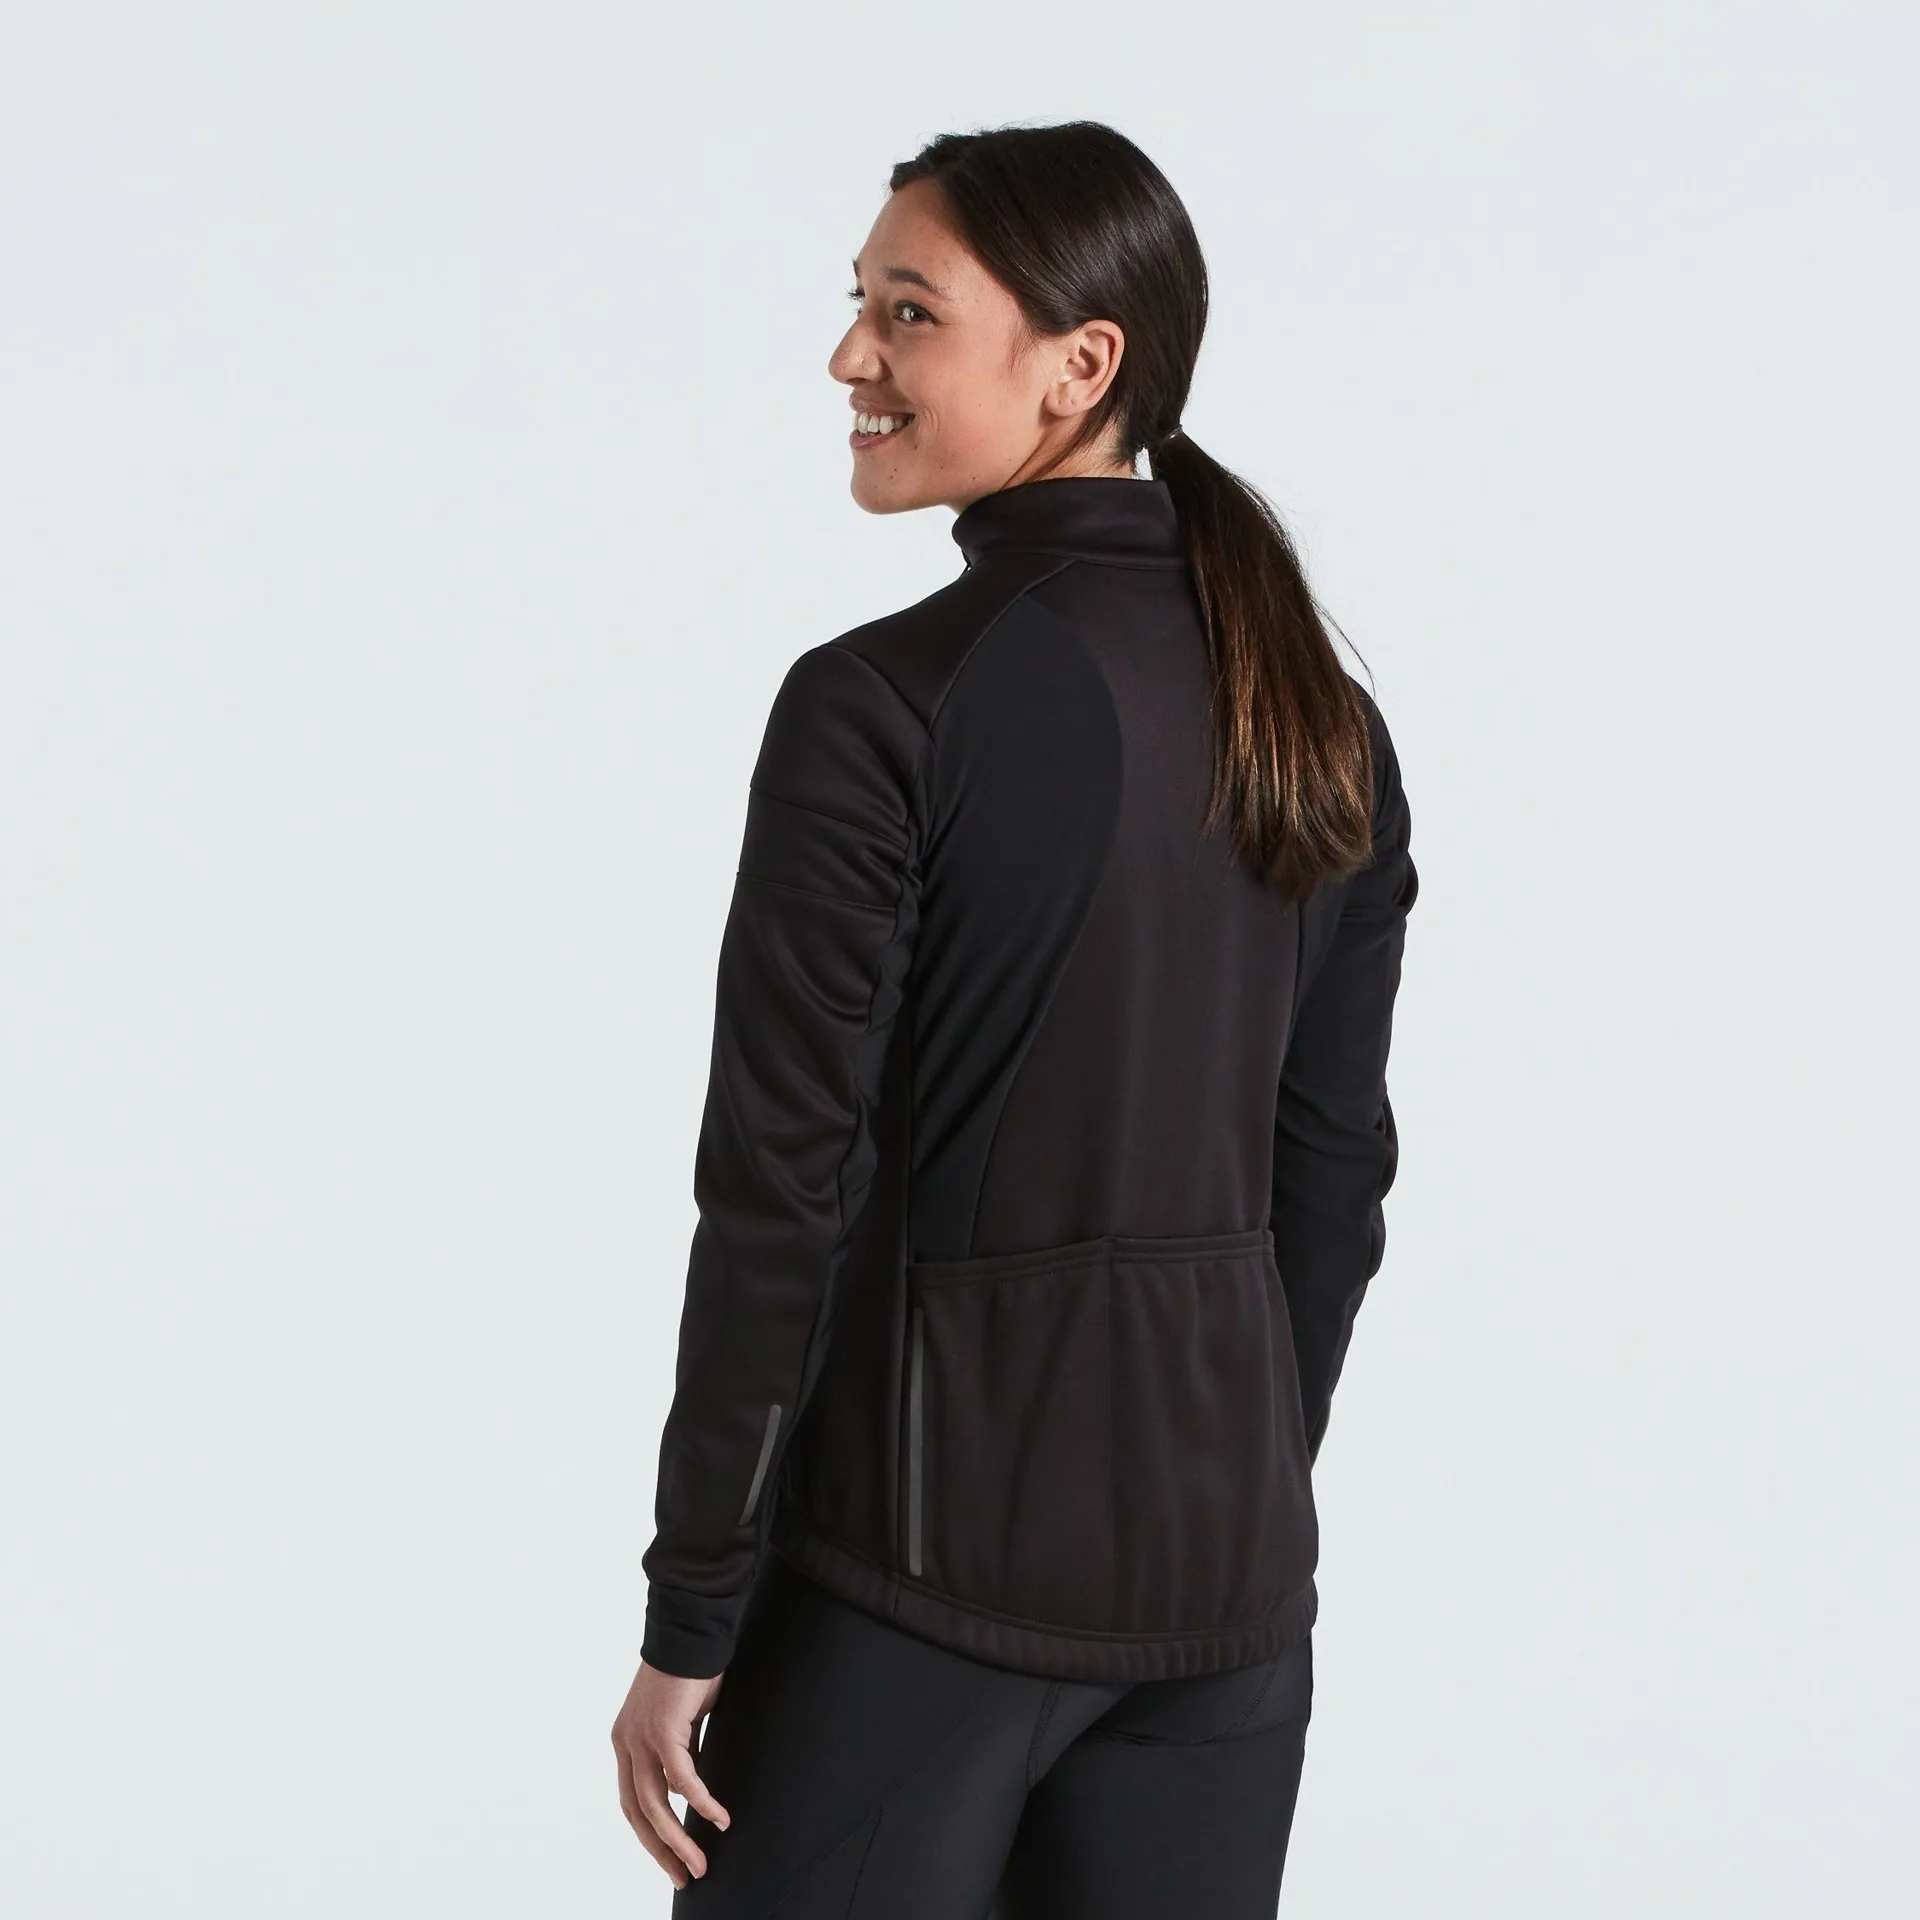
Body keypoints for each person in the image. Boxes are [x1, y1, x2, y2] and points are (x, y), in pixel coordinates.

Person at [611, 119, 1417, 1918]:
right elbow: (1332, 1180)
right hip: (1225, 1616)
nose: (851, 356)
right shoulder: (1322, 717)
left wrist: (692, 1613)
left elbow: (781, 1199)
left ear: (1081, 364)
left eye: (909, 313)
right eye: (859, 304)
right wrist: (1223, 1476)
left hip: (910, 1599)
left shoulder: (884, 705)